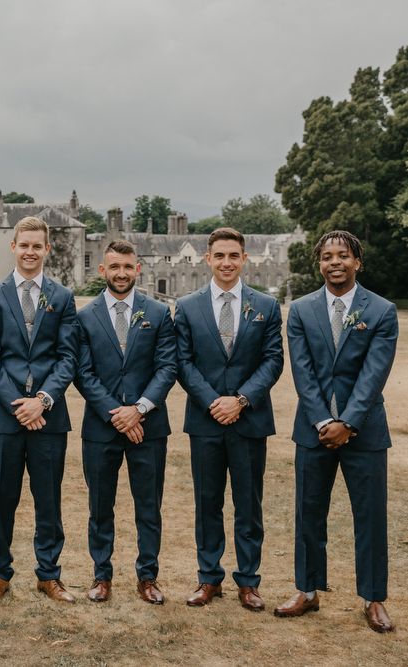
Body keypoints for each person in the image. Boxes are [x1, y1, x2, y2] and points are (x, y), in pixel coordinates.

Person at [274, 230, 398, 633]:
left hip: (365, 433)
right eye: (327, 256)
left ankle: (373, 597)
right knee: (308, 513)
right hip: (313, 432)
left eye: (342, 255)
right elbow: (303, 372)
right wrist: (324, 422)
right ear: (320, 263)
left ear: (357, 261)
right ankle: (307, 591)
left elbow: (374, 374)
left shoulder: (380, 310)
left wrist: (348, 423)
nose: (334, 262)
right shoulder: (302, 310)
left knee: (371, 516)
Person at [174, 227, 283, 611]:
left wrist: (240, 400)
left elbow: (273, 361)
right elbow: (183, 363)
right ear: (208, 258)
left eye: (233, 256)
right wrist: (212, 402)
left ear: (244, 259)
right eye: (219, 256)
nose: (226, 262)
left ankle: (249, 581)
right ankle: (208, 578)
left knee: (249, 504)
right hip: (205, 422)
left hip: (250, 421)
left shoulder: (265, 307)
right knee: (208, 502)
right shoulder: (187, 307)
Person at [0, 216, 78, 604]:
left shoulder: (63, 298)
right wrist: (19, 405)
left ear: (47, 249)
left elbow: (68, 357)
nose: (31, 251)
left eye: (38, 245)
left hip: (49, 417)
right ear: (13, 247)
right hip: (5, 418)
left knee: (48, 499)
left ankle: (48, 574)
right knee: (2, 497)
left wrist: (43, 401)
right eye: (25, 245)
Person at [75, 240, 177, 604]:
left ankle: (148, 576)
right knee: (100, 507)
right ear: (102, 271)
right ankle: (101, 575)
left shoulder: (159, 313)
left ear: (138, 269)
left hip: (149, 428)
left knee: (148, 506)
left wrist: (141, 409)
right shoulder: (84, 316)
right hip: (101, 428)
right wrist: (116, 413)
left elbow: (167, 367)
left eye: (128, 267)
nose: (121, 273)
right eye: (114, 267)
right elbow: (83, 373)